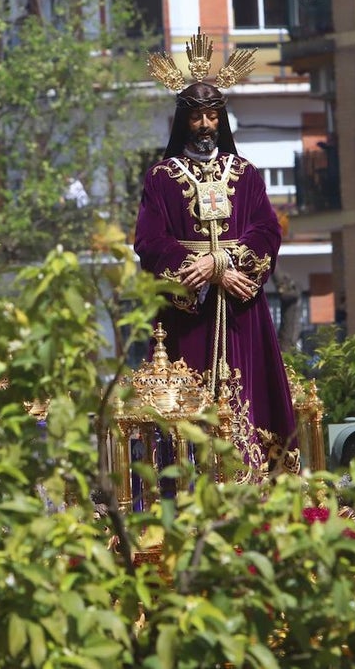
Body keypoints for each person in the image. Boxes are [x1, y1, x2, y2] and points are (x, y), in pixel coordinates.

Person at [134, 54, 297, 472]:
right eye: (196, 117)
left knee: (252, 397)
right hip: (188, 312)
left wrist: (223, 263)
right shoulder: (162, 177)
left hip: (242, 307)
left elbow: (267, 230)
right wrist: (198, 271)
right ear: (182, 122)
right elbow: (149, 242)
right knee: (186, 407)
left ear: (220, 122)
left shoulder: (246, 173)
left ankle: (255, 482)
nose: (205, 125)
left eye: (212, 116)